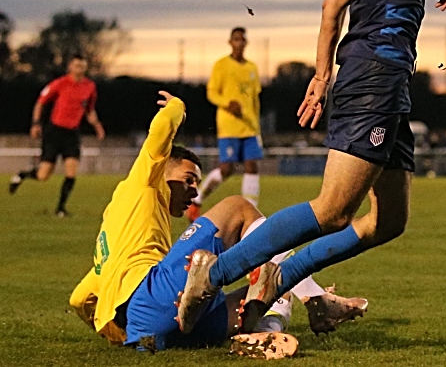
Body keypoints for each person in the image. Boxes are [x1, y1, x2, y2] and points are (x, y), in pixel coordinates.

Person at [176, 0, 446, 335]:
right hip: (373, 76)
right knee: (332, 211)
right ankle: (212, 274)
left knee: (388, 221)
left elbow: (332, 7)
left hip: (386, 85)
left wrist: (321, 74)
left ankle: (280, 276)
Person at [69, 91, 367, 357]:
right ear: (162, 173)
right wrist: (177, 108)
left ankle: (260, 331)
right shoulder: (141, 185)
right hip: (153, 297)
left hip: (153, 332)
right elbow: (157, 138)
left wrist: (122, 334)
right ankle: (314, 297)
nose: (194, 191)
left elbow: (80, 299)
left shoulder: (113, 241)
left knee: (274, 288)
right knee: (239, 207)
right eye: (188, 180)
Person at [9, 54, 105, 216]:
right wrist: (35, 123)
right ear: (70, 67)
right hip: (54, 132)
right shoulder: (60, 83)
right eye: (76, 66)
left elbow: (89, 109)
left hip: (72, 134)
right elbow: (40, 102)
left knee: (71, 171)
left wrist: (97, 125)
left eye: (82, 66)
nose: (79, 69)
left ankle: (60, 209)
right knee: (43, 175)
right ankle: (22, 175)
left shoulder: (89, 87)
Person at [186, 27, 263, 223]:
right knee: (227, 168)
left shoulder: (252, 68)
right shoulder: (221, 65)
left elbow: (255, 100)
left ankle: (250, 213)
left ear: (246, 43)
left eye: (242, 40)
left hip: (250, 127)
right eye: (236, 39)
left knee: (252, 166)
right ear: (230, 42)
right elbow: (211, 93)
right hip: (229, 125)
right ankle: (197, 199)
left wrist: (257, 127)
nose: (239, 43)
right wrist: (227, 104)